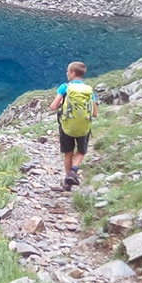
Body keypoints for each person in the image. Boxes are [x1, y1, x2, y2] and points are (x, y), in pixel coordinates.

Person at [48, 61, 98, 191]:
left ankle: (67, 182)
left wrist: (61, 107)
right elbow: (95, 113)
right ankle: (74, 170)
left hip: (67, 126)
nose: (66, 73)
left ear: (73, 73)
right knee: (81, 151)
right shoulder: (88, 90)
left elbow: (53, 106)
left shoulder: (64, 87)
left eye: (68, 71)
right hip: (84, 127)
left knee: (68, 153)